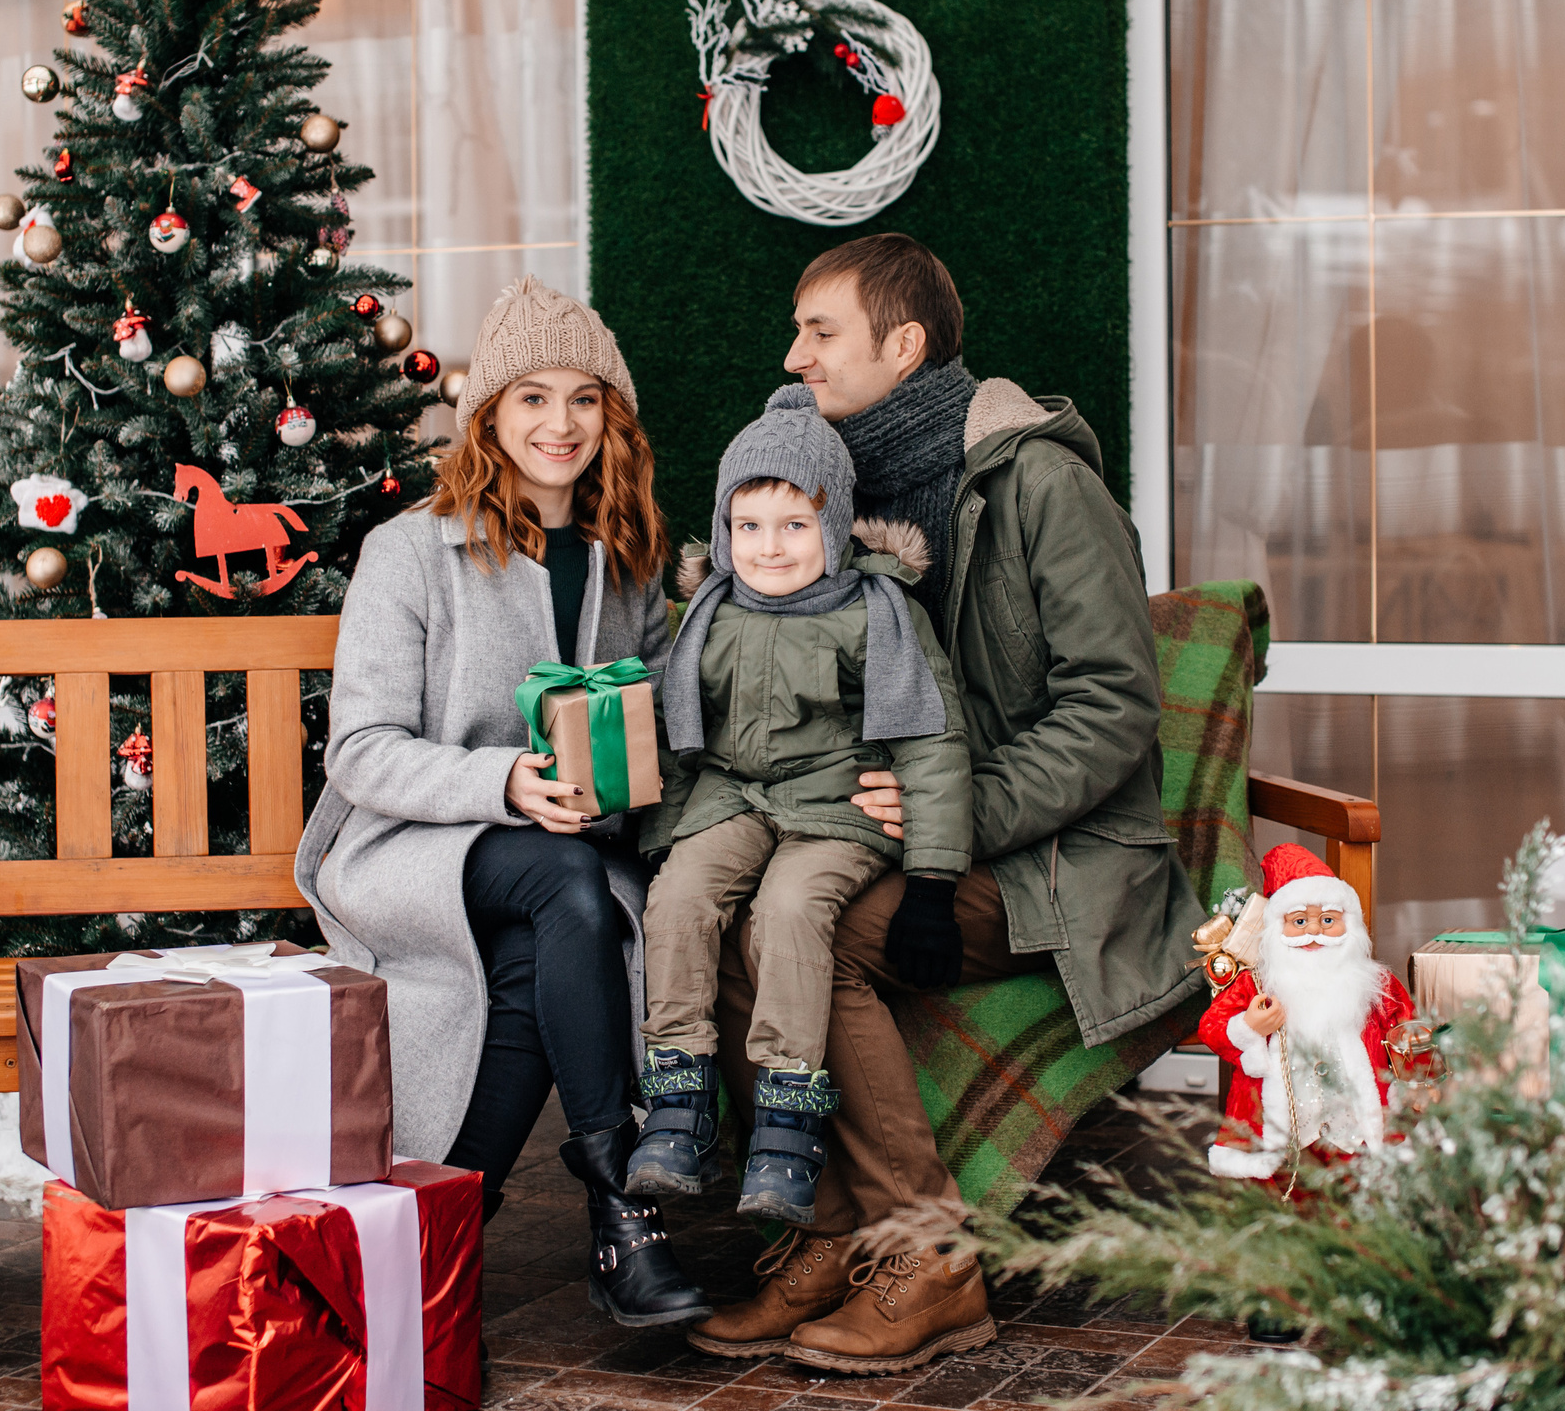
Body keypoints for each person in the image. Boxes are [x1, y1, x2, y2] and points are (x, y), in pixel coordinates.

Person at [691, 233, 1209, 1375]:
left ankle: (929, 1260)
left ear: (904, 343)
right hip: (885, 829)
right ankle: (827, 1235)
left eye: (820, 331)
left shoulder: (1039, 484)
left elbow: (1114, 707)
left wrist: (955, 814)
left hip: (1059, 860)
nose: (795, 355)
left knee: (813, 935)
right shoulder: (832, 489)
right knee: (729, 918)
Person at [293, 275, 711, 1328]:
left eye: (582, 399)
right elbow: (360, 752)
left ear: (609, 416)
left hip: (565, 864)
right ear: (488, 414)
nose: (558, 424)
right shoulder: (408, 553)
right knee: (564, 886)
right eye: (531, 398)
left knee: (549, 929)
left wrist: (610, 793)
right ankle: (621, 1201)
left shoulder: (630, 563)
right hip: (411, 852)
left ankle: (426, 1263)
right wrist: (505, 784)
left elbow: (650, 739)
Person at [628, 385, 973, 1231]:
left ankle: (788, 1119)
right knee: (678, 897)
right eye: (749, 527)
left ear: (835, 527)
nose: (769, 548)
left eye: (795, 526)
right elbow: (683, 736)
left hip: (838, 803)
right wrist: (657, 830)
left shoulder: (875, 615)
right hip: (736, 794)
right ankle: (679, 1099)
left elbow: (932, 742)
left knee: (787, 908)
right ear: (722, 531)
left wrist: (932, 879)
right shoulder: (709, 613)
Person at [1194, 843, 1417, 1180]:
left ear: (1350, 925)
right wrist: (1248, 1025)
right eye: (1299, 920)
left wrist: (1419, 1082)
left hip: (1356, 1128)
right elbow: (1212, 1026)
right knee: (1281, 1194)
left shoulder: (1376, 983)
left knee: (1358, 1190)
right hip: (1280, 1128)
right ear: (1277, 927)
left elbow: (1408, 1030)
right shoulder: (1257, 983)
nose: (1314, 931)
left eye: (1328, 920)